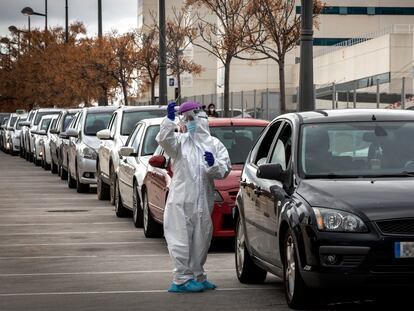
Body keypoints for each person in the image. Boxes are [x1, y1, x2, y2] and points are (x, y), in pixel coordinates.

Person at [156, 101, 231, 293]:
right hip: (181, 201)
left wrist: (214, 165)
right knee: (180, 240)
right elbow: (164, 140)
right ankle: (181, 280)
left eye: (193, 118)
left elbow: (223, 171)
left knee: (201, 239)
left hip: (203, 202)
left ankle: (197, 275)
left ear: (202, 118)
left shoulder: (215, 145)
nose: (190, 122)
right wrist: (169, 121)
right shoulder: (180, 142)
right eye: (187, 118)